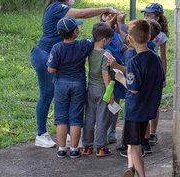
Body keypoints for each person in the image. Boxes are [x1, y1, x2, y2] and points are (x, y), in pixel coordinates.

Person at [30, 0, 117, 148]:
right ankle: (41, 134)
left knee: (60, 95)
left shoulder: (60, 12)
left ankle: (69, 132)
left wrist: (106, 23)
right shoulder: (56, 7)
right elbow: (83, 14)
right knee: (47, 94)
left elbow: (94, 40)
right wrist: (106, 8)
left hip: (54, 55)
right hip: (44, 55)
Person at [115, 19, 164, 177]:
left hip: (134, 110)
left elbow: (133, 89)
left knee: (135, 147)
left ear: (129, 39)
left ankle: (140, 174)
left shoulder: (134, 61)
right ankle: (131, 168)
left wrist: (120, 78)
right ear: (150, 37)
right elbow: (161, 81)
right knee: (132, 144)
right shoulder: (155, 57)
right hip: (148, 109)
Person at [46, 16, 94, 158]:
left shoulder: (57, 47)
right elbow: (94, 39)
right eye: (77, 28)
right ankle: (74, 149)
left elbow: (51, 69)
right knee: (76, 118)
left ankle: (61, 149)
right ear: (75, 32)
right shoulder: (83, 45)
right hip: (79, 84)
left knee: (61, 118)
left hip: (61, 85)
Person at [82, 22, 115, 157]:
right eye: (110, 40)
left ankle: (87, 146)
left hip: (90, 88)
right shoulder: (106, 53)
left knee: (89, 117)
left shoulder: (90, 50)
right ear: (104, 40)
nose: (110, 42)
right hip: (102, 90)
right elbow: (105, 73)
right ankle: (101, 147)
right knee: (102, 118)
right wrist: (110, 92)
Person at [141, 3, 169, 146]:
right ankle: (144, 132)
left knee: (154, 103)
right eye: (145, 15)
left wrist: (163, 76)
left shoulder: (161, 36)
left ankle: (152, 132)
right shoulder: (140, 32)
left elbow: (163, 57)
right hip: (142, 70)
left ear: (157, 18)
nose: (146, 18)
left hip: (154, 70)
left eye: (149, 15)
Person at [100, 10, 127, 144]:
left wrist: (120, 22)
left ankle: (112, 129)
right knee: (105, 101)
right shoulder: (100, 31)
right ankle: (102, 130)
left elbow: (126, 41)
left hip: (117, 72)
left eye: (112, 14)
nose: (110, 17)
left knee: (115, 101)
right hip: (104, 73)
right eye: (106, 15)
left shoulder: (118, 32)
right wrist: (107, 23)